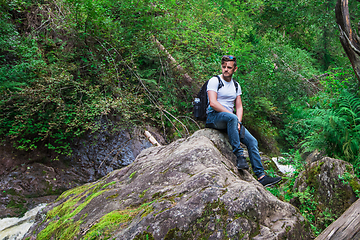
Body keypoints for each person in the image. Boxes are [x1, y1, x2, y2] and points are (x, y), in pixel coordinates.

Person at [206, 55, 282, 187]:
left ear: (235, 69)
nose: (226, 70)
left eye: (229, 67)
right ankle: (240, 156)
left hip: (230, 120)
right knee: (232, 117)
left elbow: (239, 106)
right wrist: (233, 117)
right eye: (224, 67)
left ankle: (261, 176)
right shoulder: (214, 81)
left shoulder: (236, 85)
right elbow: (213, 103)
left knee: (252, 141)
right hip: (214, 117)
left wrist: (238, 122)